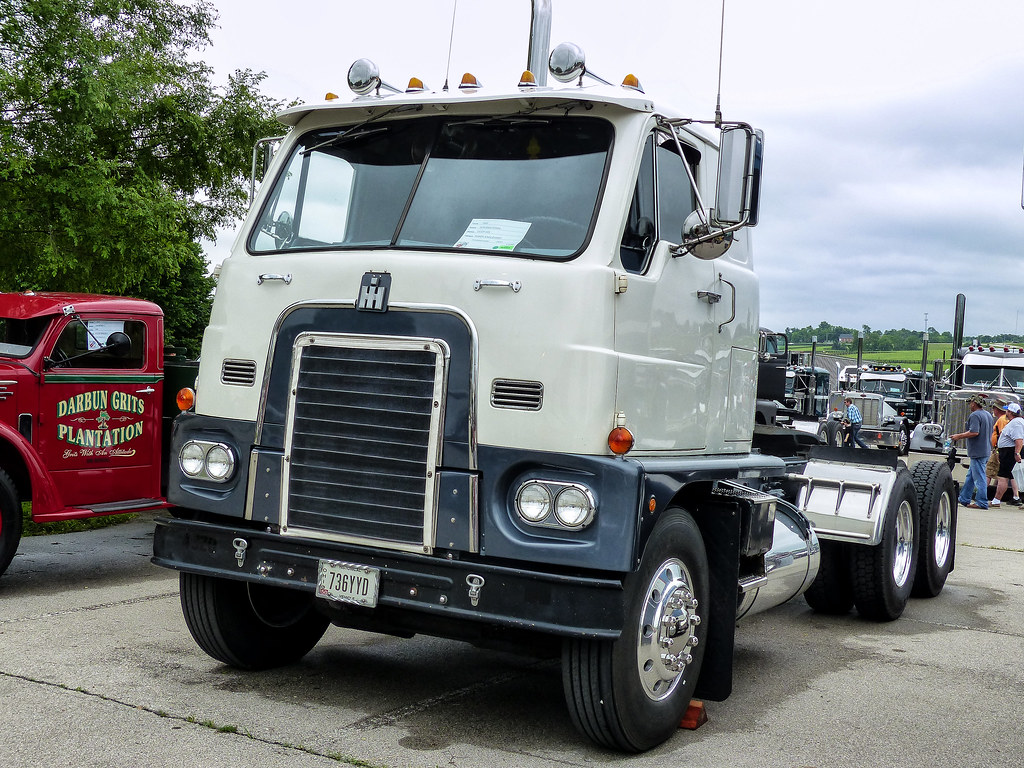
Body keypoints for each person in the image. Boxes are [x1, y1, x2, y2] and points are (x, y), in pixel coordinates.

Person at [952, 395, 996, 509]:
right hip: (986, 449)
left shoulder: (975, 415)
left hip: (977, 451)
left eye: (970, 403)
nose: (969, 405)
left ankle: (981, 502)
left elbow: (974, 432)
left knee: (979, 477)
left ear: (974, 403)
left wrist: (958, 436)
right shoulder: (988, 415)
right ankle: (964, 498)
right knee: (970, 476)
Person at [987, 402, 1021, 505]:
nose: (1005, 412)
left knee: (1003, 477)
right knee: (1008, 476)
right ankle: (1009, 498)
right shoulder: (1014, 422)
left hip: (1009, 452)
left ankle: (997, 500)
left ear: (1010, 412)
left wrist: (1017, 453)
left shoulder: (1016, 423)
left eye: (1007, 410)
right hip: (1007, 451)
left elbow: (1018, 440)